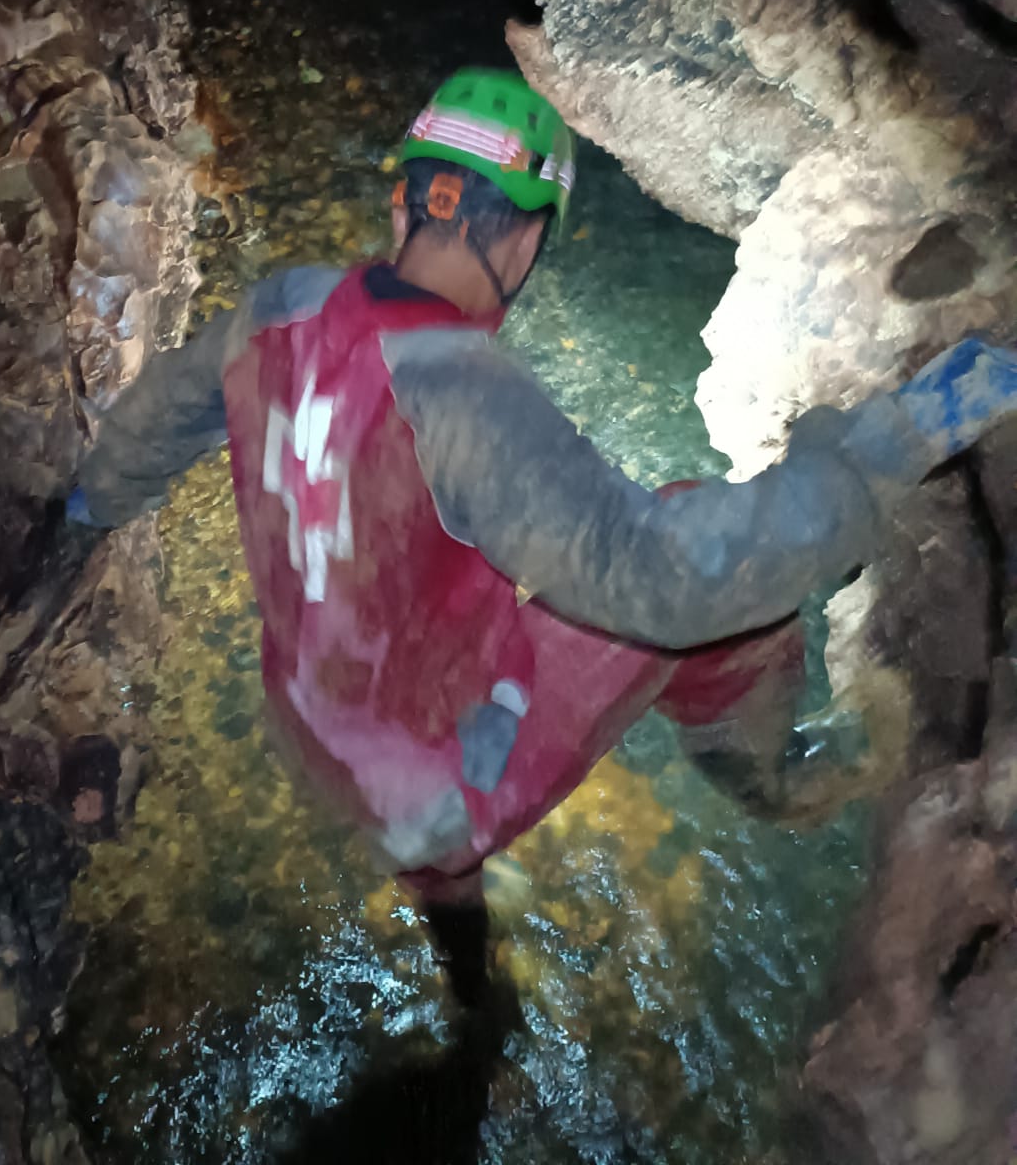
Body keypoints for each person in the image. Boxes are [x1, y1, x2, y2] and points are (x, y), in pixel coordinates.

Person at [68, 67, 1017, 1008]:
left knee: (437, 795)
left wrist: (84, 514)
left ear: (404, 206)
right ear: (522, 239)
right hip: (450, 767)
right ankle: (779, 781)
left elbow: (155, 423)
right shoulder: (465, 393)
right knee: (709, 577)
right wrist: (871, 453)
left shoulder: (278, 311)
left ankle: (470, 981)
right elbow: (668, 578)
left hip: (312, 718)